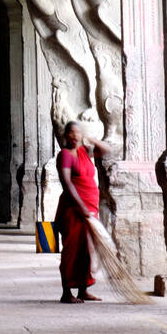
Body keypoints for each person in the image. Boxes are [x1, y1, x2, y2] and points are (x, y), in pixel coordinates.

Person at [54, 121, 111, 304]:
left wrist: (92, 139)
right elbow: (67, 183)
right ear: (65, 135)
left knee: (86, 250)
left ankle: (83, 290)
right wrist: (81, 206)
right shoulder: (65, 155)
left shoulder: (85, 151)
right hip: (73, 209)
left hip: (89, 208)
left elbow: (106, 150)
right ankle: (66, 292)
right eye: (71, 133)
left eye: (78, 133)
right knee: (71, 250)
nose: (75, 136)